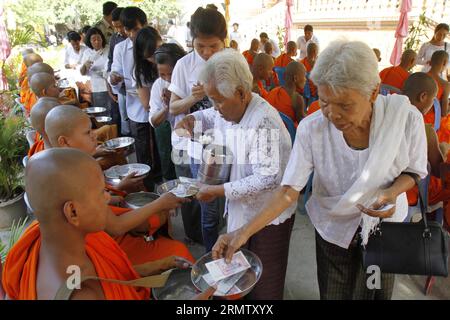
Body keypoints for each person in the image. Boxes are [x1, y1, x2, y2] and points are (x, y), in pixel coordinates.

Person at [212, 40, 428, 300]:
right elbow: (288, 191)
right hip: (333, 228)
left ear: (373, 92)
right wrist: (241, 232)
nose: (332, 114)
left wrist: (393, 191)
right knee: (333, 293)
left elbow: (414, 170)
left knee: (375, 291)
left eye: (345, 105)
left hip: (384, 231)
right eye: (325, 102)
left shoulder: (404, 119)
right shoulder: (312, 129)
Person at [1, 148, 214, 300]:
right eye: (101, 192)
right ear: (73, 211)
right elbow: (89, 282)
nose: (107, 198)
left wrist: (158, 265)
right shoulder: (81, 294)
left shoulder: (53, 241)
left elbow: (103, 277)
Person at [175, 49, 295, 299]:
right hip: (241, 211)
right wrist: (192, 119)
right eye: (211, 99)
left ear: (241, 92)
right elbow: (210, 116)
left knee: (263, 285)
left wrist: (218, 191)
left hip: (268, 218)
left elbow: (267, 178)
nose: (214, 107)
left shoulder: (263, 121)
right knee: (239, 279)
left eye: (217, 100)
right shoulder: (229, 109)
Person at [44, 105, 195, 266]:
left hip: (101, 235)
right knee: (178, 248)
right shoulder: (75, 176)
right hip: (105, 250)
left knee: (142, 199)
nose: (95, 135)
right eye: (88, 133)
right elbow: (116, 227)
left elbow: (102, 201)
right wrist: (160, 203)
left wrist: (120, 188)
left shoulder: (66, 165)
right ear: (64, 142)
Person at [169, 6, 227, 249]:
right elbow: (173, 108)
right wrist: (193, 98)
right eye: (200, 46)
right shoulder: (184, 65)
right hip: (201, 148)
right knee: (206, 201)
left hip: (230, 141)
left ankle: (222, 242)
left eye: (213, 46)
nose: (206, 52)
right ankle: (210, 252)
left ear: (224, 41)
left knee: (228, 198)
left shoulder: (231, 62)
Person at [109, 7, 153, 181]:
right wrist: (114, 79)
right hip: (135, 107)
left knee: (159, 148)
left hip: (157, 106)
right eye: (127, 30)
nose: (131, 34)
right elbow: (115, 73)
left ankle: (159, 178)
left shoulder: (155, 44)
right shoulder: (121, 49)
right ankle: (146, 183)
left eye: (135, 29)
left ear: (145, 25)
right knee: (142, 147)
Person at [403, 72, 446, 208]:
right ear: (423, 97)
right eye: (432, 100)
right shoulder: (425, 129)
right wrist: (444, 150)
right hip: (408, 191)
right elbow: (438, 171)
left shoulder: (384, 115)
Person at [149, 43, 186, 181]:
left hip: (199, 142)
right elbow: (154, 121)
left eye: (171, 73)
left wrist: (178, 100)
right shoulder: (159, 85)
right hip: (179, 142)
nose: (168, 79)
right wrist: (167, 106)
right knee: (183, 181)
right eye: (162, 74)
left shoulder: (191, 81)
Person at [133, 26, 164, 186]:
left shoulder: (173, 59)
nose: (156, 57)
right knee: (157, 154)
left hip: (175, 116)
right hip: (156, 119)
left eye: (158, 50)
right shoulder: (141, 72)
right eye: (150, 55)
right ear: (141, 54)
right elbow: (146, 104)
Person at [107, 7, 129, 137]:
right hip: (121, 88)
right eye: (115, 27)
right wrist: (110, 80)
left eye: (120, 26)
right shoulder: (115, 38)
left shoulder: (138, 38)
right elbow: (110, 61)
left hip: (136, 88)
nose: (119, 30)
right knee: (124, 117)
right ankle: (128, 145)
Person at [80, 28, 110, 116]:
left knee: (113, 112)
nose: (97, 42)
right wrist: (85, 65)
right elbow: (82, 73)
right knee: (101, 112)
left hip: (110, 85)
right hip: (97, 87)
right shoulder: (87, 53)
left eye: (99, 39)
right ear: (89, 41)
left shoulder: (108, 49)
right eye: (94, 40)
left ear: (102, 39)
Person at [266, 61, 306, 126]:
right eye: (304, 76)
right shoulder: (297, 99)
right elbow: (302, 122)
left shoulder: (273, 91)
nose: (305, 79)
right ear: (295, 78)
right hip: (286, 133)